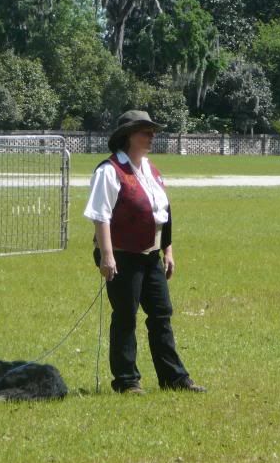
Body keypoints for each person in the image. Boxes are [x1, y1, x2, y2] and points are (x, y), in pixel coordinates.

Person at [83, 110, 206, 395]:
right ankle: (127, 382)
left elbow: (162, 214)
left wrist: (168, 251)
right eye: (145, 132)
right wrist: (107, 255)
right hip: (123, 255)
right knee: (126, 316)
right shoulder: (109, 171)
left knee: (161, 314)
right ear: (128, 136)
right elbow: (99, 215)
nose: (152, 136)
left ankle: (174, 378)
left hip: (151, 255)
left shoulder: (150, 169)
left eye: (152, 132)